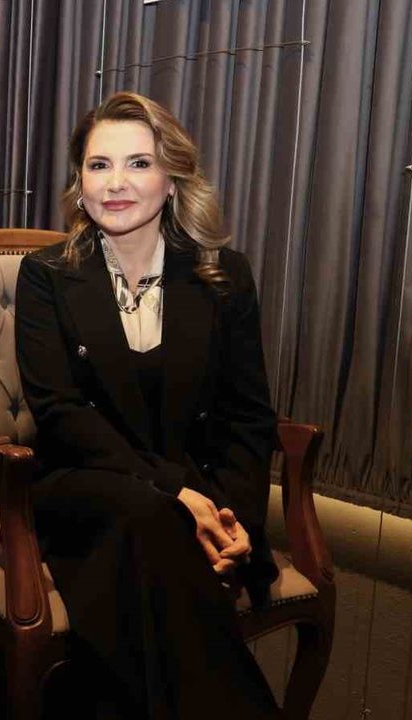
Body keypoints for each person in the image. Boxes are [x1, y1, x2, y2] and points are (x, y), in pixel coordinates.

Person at [15, 91, 283, 718]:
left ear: (173, 179)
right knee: (148, 515)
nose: (116, 183)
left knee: (153, 543)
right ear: (79, 182)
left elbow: (248, 417)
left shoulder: (224, 275)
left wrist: (235, 519)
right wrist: (175, 493)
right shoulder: (46, 274)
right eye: (98, 164)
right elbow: (61, 414)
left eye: (139, 163)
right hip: (81, 486)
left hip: (194, 495)